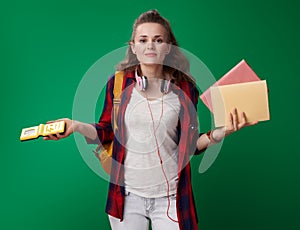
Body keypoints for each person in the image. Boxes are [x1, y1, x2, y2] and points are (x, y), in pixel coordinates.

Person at [44, 10, 257, 230]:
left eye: (158, 40)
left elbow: (190, 144)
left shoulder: (186, 89)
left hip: (171, 198)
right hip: (126, 198)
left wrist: (219, 133)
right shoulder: (117, 84)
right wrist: (76, 126)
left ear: (168, 47)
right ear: (133, 46)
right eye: (143, 40)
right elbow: (106, 131)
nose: (150, 46)